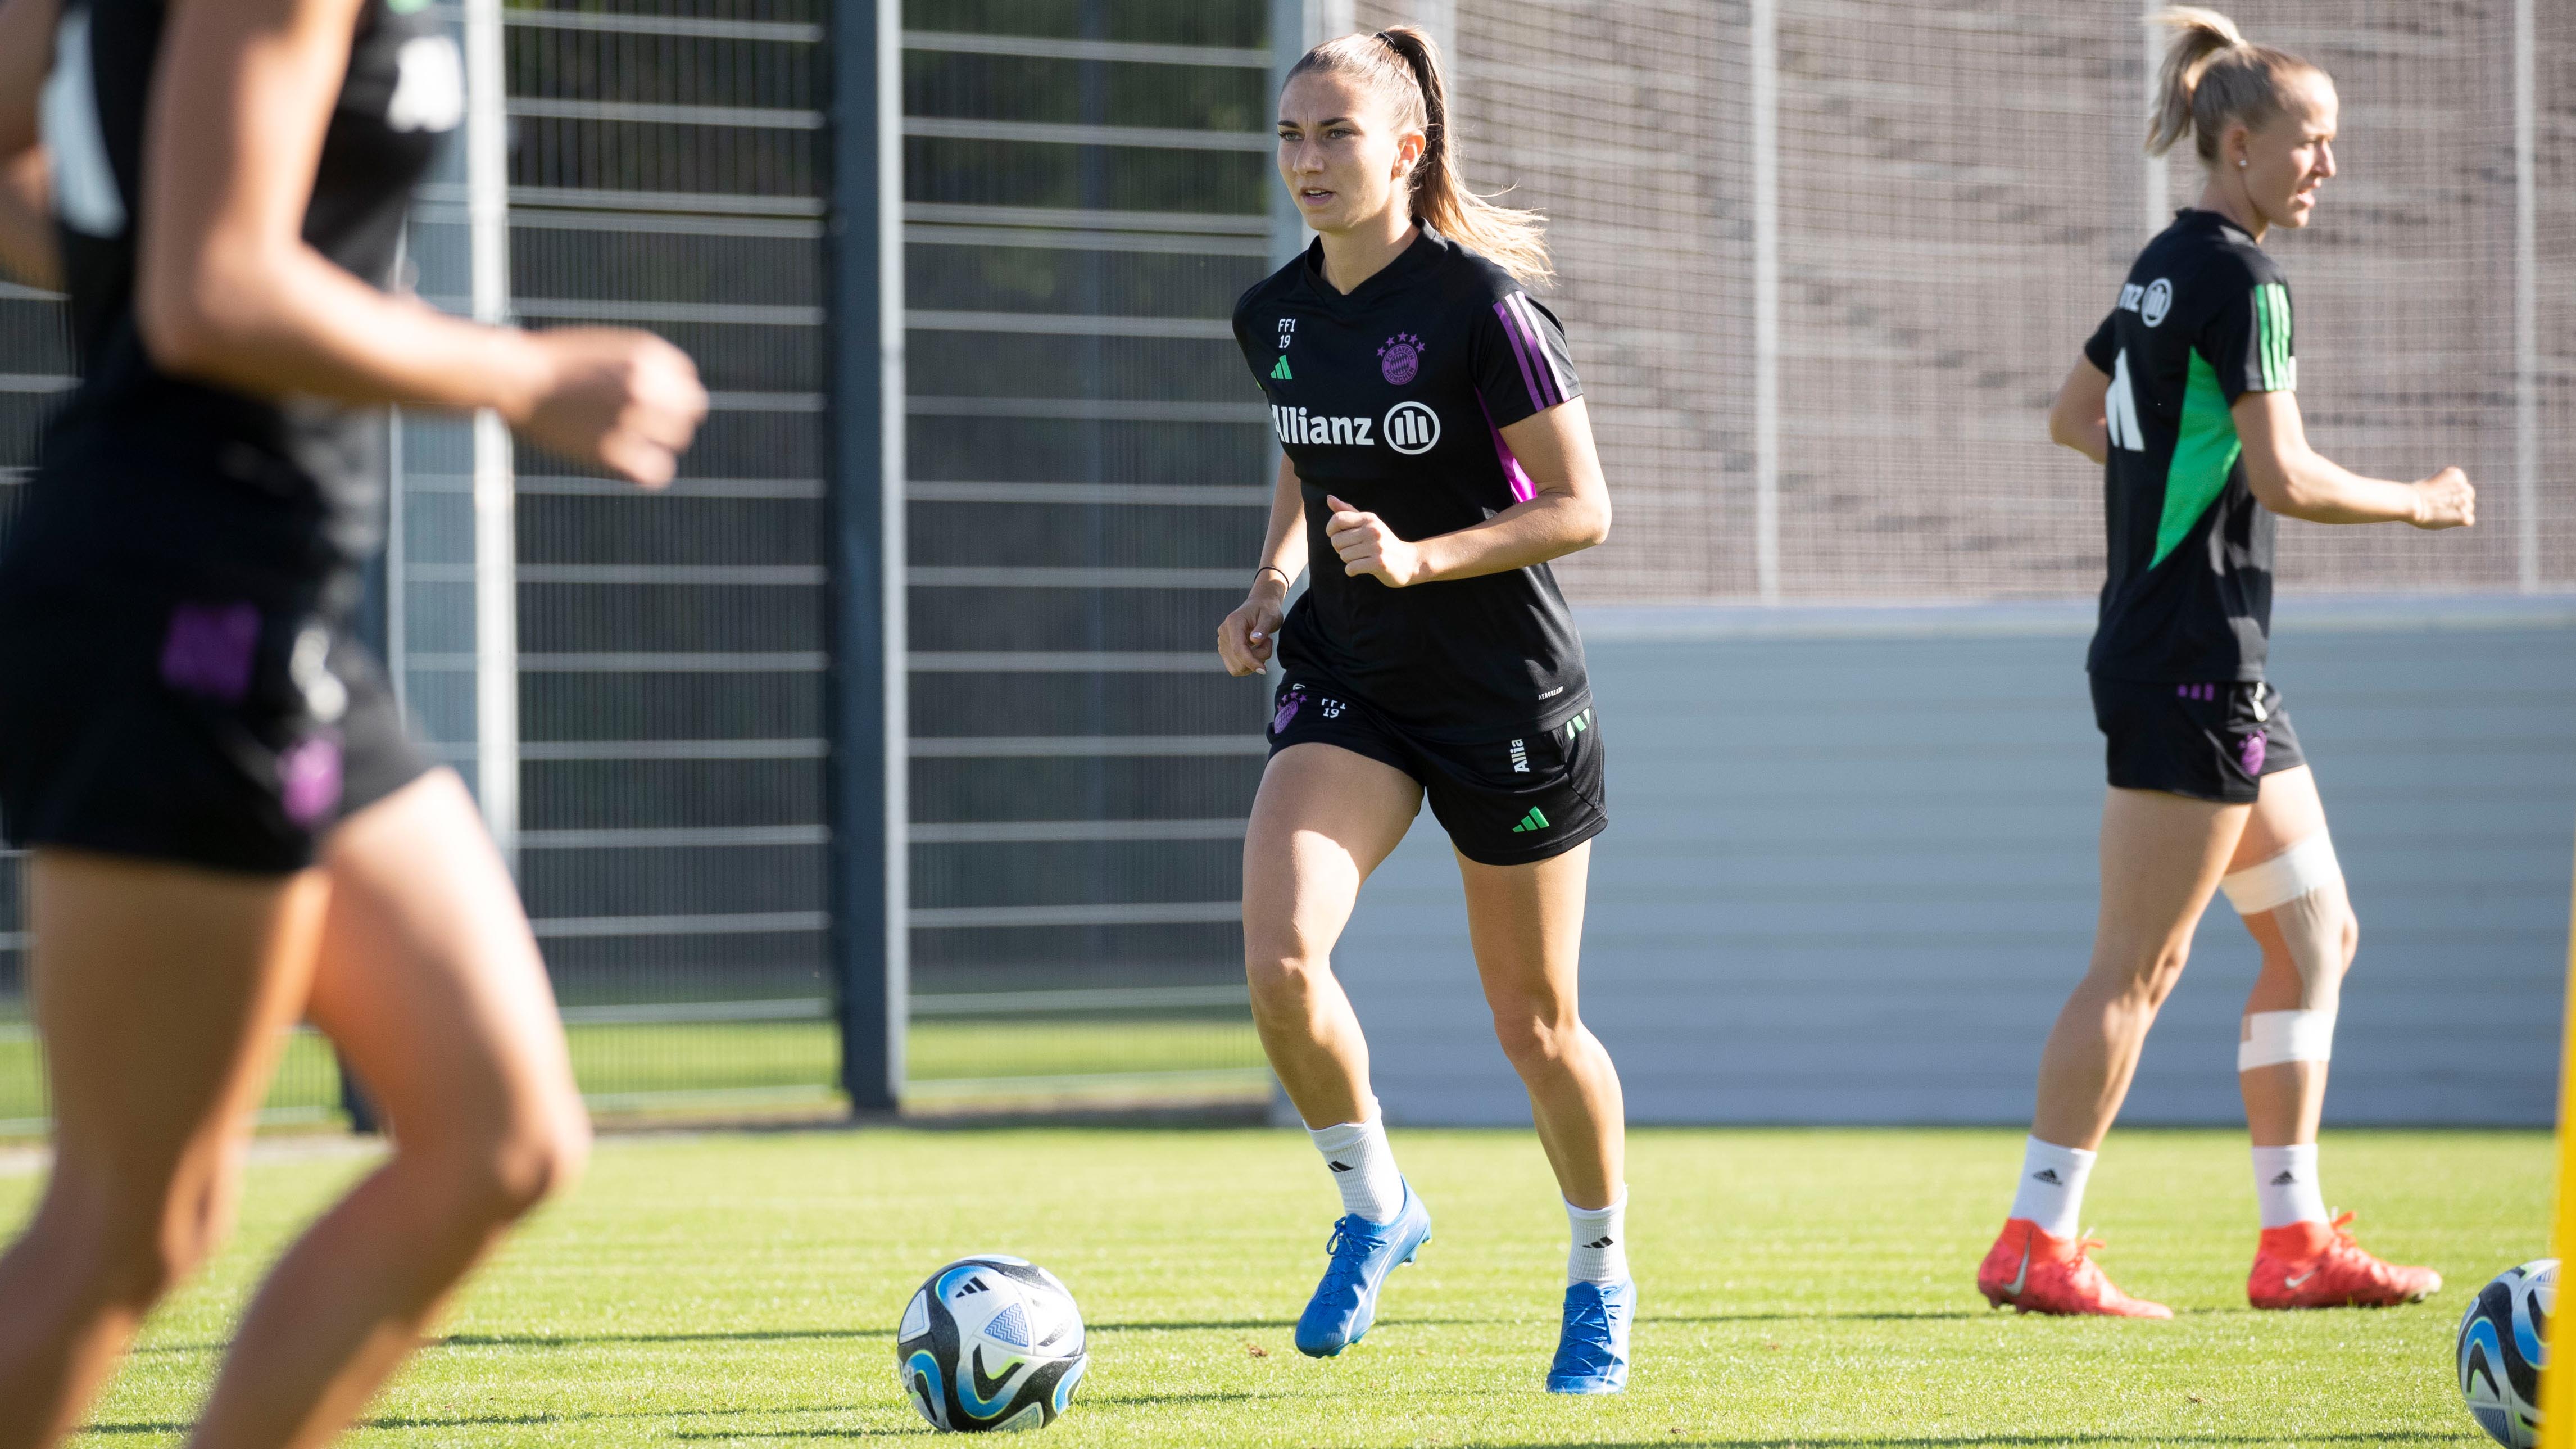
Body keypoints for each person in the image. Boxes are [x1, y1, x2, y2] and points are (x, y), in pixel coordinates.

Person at [0, 0, 705, 1441]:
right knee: (131, 1222)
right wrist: (523, 375)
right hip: (180, 592)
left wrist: (121, 257)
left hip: (267, 598)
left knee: (496, 1138)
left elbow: (60, 195)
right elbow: (214, 289)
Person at [1976, 6, 2473, 1319]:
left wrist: (2165, 478)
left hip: (2212, 657)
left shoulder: (2163, 262)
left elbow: (2075, 415)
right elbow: (2286, 474)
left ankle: (2293, 1238)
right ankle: (2038, 1238)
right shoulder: (2247, 281)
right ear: (2239, 143)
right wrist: (2420, 501)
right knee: (2139, 965)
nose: (2327, 169)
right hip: (2190, 654)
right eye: (2312, 145)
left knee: (2318, 934)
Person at [1216, 26, 1628, 1393]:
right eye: (1291, 135)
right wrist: (1276, 580)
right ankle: (1376, 1202)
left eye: (1336, 134)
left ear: (1406, 150)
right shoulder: (1273, 313)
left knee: (1538, 1026)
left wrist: (1420, 553)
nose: (1308, 161)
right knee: (1281, 962)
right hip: (1352, 680)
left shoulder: (1480, 307)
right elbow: (1303, 442)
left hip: (1503, 697)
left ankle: (1598, 1274)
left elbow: (1585, 508)